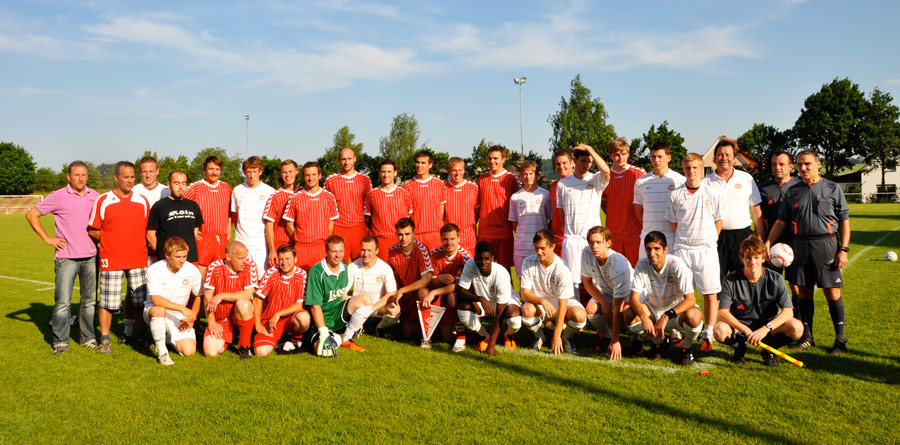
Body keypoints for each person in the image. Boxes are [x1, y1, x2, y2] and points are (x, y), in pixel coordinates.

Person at [765, 150, 851, 354]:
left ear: (818, 164)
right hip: (800, 245)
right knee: (803, 292)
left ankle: (840, 340)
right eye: (800, 164)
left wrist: (844, 249)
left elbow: (844, 220)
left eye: (808, 164)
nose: (803, 168)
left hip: (827, 244)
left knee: (832, 292)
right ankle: (807, 336)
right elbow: (782, 221)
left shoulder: (832, 188)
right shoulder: (792, 191)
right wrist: (769, 241)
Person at [26, 160, 100, 354]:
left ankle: (88, 338)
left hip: (92, 257)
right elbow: (32, 215)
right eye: (77, 175)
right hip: (66, 258)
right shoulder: (58, 196)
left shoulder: (95, 196)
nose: (81, 178)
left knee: (89, 301)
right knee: (63, 303)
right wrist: (48, 238)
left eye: (84, 175)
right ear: (68, 176)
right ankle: (61, 342)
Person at [87, 161, 151, 354]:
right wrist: (109, 241)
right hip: (112, 259)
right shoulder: (104, 200)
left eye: (132, 177)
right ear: (116, 178)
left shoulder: (142, 201)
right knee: (108, 302)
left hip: (138, 259)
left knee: (140, 301)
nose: (130, 181)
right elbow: (93, 229)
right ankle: (105, 339)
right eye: (125, 177)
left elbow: (148, 230)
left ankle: (140, 334)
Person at [714, 235, 804, 366]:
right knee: (719, 330)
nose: (752, 262)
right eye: (748, 257)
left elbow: (788, 312)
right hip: (741, 328)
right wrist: (745, 330)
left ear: (763, 258)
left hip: (768, 327)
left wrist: (766, 329)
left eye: (756, 257)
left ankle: (769, 349)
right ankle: (740, 347)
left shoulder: (776, 278)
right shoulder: (730, 279)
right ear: (741, 258)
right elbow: (722, 313)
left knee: (797, 328)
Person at [666, 152, 723, 353]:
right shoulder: (675, 195)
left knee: (710, 293)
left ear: (702, 169)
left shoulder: (713, 193)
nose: (691, 172)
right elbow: (674, 223)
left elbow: (719, 220)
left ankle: (708, 334)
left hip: (706, 250)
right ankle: (683, 330)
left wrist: (710, 241)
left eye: (695, 168)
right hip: (683, 250)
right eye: (688, 168)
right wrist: (685, 240)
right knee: (682, 293)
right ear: (684, 170)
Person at [625, 231, 703, 365]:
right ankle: (659, 343)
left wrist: (667, 316)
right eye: (648, 249)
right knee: (628, 313)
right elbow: (633, 298)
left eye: (656, 249)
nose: (652, 253)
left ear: (665, 250)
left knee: (695, 316)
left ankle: (687, 347)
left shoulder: (677, 265)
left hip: (676, 313)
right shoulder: (642, 264)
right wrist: (644, 317)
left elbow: (691, 300)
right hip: (654, 311)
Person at [702, 137, 764, 280]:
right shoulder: (705, 183)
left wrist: (760, 239)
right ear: (714, 158)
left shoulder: (746, 179)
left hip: (742, 237)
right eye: (720, 154)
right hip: (716, 237)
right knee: (716, 281)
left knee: (743, 281)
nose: (724, 158)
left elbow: (757, 212)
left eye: (728, 154)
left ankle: (742, 304)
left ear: (734, 158)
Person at [555, 143, 611, 303]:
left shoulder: (596, 180)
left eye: (590, 161)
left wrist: (589, 148)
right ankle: (575, 317)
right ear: (574, 161)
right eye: (583, 161)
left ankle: (599, 314)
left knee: (597, 281)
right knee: (572, 282)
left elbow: (606, 170)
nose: (587, 164)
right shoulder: (563, 184)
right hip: (571, 240)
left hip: (593, 241)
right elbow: (561, 214)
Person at [519, 230, 587, 355]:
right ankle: (540, 336)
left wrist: (556, 335)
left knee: (580, 316)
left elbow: (563, 305)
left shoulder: (563, 269)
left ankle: (566, 337)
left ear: (553, 246)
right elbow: (524, 294)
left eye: (542, 248)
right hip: (541, 305)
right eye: (536, 248)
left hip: (560, 304)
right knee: (527, 310)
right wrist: (542, 301)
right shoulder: (528, 262)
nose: (539, 252)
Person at [305, 235, 376, 354]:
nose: (338, 255)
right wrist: (323, 332)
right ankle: (334, 336)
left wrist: (353, 313)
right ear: (326, 251)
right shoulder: (316, 272)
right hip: (323, 317)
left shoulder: (343, 265)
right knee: (323, 351)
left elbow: (342, 292)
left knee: (366, 300)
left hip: (338, 312)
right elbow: (314, 306)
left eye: (341, 251)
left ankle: (346, 338)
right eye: (334, 251)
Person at [453, 241, 522, 355]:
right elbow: (461, 292)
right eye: (480, 259)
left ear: (492, 259)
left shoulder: (501, 274)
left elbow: (499, 314)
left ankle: (508, 335)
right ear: (475, 258)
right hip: (484, 301)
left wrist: (492, 347)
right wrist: (480, 299)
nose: (483, 262)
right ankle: (485, 336)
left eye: (487, 259)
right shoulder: (470, 265)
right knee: (462, 309)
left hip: (505, 302)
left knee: (514, 320)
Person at [143, 237, 202, 366]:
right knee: (159, 311)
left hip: (178, 316)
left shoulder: (192, 270)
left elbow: (199, 295)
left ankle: (166, 336)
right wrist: (182, 309)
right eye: (178, 257)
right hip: (154, 310)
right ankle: (162, 352)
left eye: (185, 256)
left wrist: (192, 317)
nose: (182, 260)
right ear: (167, 255)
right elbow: (156, 300)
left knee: (189, 351)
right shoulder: (154, 270)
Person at [580, 226, 633, 360]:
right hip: (608, 291)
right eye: (591, 242)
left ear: (608, 243)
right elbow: (587, 282)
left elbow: (618, 306)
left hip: (629, 295)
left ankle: (635, 339)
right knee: (590, 309)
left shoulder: (619, 265)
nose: (594, 246)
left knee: (627, 316)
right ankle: (607, 336)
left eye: (599, 242)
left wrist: (616, 341)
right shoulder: (586, 253)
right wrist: (603, 302)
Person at [756, 151, 802, 306]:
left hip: (794, 242)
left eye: (781, 164)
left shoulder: (800, 186)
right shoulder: (762, 188)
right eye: (774, 164)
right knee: (769, 284)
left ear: (790, 166)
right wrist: (761, 240)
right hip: (770, 243)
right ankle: (770, 321)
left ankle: (798, 320)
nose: (777, 168)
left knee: (796, 284)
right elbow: (758, 217)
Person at [382, 218, 435, 345]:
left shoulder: (421, 249)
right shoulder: (392, 251)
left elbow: (427, 280)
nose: (403, 238)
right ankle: (378, 326)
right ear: (396, 234)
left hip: (419, 292)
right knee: (407, 334)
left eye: (407, 234)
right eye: (400, 234)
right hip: (405, 295)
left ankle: (426, 336)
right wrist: (397, 296)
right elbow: (393, 276)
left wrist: (402, 290)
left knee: (423, 292)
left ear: (414, 233)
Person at [252, 244, 310, 357]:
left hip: (292, 319)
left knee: (304, 318)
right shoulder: (271, 273)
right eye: (281, 259)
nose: (284, 262)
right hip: (271, 321)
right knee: (261, 353)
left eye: (288, 259)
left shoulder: (302, 275)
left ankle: (294, 340)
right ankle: (278, 338)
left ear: (295, 259)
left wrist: (279, 314)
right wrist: (258, 325)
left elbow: (301, 305)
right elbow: (257, 300)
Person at [203, 241, 258, 359]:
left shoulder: (250, 265)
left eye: (246, 257)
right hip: (221, 320)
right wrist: (211, 322)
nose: (245, 261)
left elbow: (248, 294)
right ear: (228, 257)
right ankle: (230, 338)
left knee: (243, 304)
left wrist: (221, 296)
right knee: (211, 352)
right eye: (241, 258)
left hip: (240, 314)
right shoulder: (214, 267)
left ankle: (244, 347)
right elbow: (207, 297)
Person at [419, 223, 471, 348]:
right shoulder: (434, 254)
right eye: (445, 239)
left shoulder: (465, 256)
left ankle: (461, 333)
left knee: (452, 298)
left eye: (452, 239)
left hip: (455, 296)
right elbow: (429, 280)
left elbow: (459, 286)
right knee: (422, 292)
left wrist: (434, 292)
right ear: (441, 239)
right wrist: (438, 279)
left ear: (459, 238)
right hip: (440, 297)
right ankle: (426, 335)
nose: (449, 242)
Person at [633, 142, 686, 258]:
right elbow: (638, 210)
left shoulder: (680, 181)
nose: (656, 160)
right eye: (653, 156)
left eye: (660, 156)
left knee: (671, 275)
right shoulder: (641, 182)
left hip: (671, 239)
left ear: (669, 157)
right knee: (646, 274)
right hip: (648, 237)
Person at [184, 155, 232, 281]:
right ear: (205, 170)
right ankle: (198, 301)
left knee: (220, 277)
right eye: (211, 169)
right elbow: (183, 208)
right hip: (203, 237)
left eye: (217, 169)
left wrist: (229, 229)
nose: (214, 172)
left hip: (221, 238)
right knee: (200, 278)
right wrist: (191, 231)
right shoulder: (195, 187)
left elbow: (230, 212)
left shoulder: (226, 188)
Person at [283, 162, 339, 271]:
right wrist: (298, 238)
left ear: (319, 176)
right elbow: (289, 223)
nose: (310, 178)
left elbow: (331, 222)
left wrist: (326, 239)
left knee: (322, 280)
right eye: (307, 175)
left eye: (313, 175)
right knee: (303, 282)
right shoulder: (295, 198)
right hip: (302, 247)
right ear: (303, 177)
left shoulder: (329, 197)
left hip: (322, 246)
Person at [601, 138, 645, 266]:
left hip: (635, 234)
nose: (621, 158)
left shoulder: (639, 174)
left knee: (636, 272)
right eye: (617, 155)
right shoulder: (605, 176)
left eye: (624, 154)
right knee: (615, 273)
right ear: (611, 156)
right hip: (613, 235)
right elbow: (604, 204)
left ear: (628, 154)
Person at [325, 147, 372, 263]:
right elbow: (326, 206)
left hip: (359, 227)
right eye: (343, 159)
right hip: (339, 228)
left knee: (362, 263)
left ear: (355, 159)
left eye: (349, 158)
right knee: (338, 263)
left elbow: (370, 204)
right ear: (339, 160)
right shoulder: (331, 180)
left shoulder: (364, 179)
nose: (346, 162)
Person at [231, 156, 275, 278]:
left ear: (260, 172)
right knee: (240, 279)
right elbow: (235, 217)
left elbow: (270, 221)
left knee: (261, 281)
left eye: (254, 171)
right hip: (241, 242)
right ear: (244, 172)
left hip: (260, 245)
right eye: (248, 172)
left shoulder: (270, 191)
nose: (251, 175)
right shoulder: (237, 190)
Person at [477, 145, 520, 269]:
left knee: (504, 272)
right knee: (483, 270)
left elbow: (519, 203)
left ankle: (509, 290)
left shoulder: (511, 178)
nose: (492, 161)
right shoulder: (482, 178)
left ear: (503, 159)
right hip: (485, 233)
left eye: (495, 158)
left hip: (504, 232)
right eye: (490, 158)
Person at [147, 170, 203, 264]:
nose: (180, 187)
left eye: (183, 183)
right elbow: (150, 234)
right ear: (169, 184)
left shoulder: (193, 206)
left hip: (190, 259)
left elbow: (195, 231)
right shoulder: (159, 206)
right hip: (168, 261)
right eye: (176, 183)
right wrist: (162, 252)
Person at [346, 236, 398, 337]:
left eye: (369, 250)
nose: (366, 254)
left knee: (395, 310)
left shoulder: (385, 268)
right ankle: (355, 325)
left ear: (377, 250)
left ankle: (378, 327)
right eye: (363, 250)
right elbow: (343, 292)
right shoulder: (352, 267)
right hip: (358, 305)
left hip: (376, 305)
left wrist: (373, 308)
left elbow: (391, 293)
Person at [508, 160, 551, 279]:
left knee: (541, 280)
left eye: (531, 173)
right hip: (521, 246)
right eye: (525, 174)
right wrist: (522, 236)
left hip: (541, 245)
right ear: (521, 175)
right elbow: (514, 222)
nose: (528, 177)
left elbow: (551, 219)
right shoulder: (515, 197)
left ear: (536, 175)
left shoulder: (545, 195)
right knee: (523, 280)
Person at [365, 160, 412, 262]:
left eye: (389, 172)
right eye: (383, 172)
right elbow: (368, 219)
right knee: (380, 274)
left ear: (395, 173)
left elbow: (408, 218)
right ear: (379, 173)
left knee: (401, 274)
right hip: (380, 240)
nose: (386, 175)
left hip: (400, 240)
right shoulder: (371, 195)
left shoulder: (404, 194)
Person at [403, 150, 446, 252]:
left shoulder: (439, 184)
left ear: (430, 165)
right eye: (417, 162)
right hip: (416, 234)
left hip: (435, 233)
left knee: (435, 265)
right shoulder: (407, 185)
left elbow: (441, 211)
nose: (419, 165)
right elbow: (407, 214)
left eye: (423, 163)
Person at [263, 159, 300, 268]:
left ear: (296, 172)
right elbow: (269, 224)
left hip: (299, 244)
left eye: (290, 171)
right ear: (280, 175)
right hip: (280, 243)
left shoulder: (303, 192)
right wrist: (272, 250)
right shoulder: (275, 196)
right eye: (284, 172)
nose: (288, 175)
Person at [443, 157, 479, 255]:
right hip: (449, 239)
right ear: (449, 171)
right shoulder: (443, 188)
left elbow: (476, 213)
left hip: (468, 238)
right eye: (454, 170)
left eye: (460, 170)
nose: (458, 173)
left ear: (464, 170)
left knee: (469, 268)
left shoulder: (473, 188)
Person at [549, 149, 574, 257]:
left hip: (574, 237)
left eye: (564, 163)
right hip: (557, 238)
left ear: (572, 163)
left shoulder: (580, 183)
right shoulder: (554, 185)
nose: (561, 166)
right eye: (558, 164)